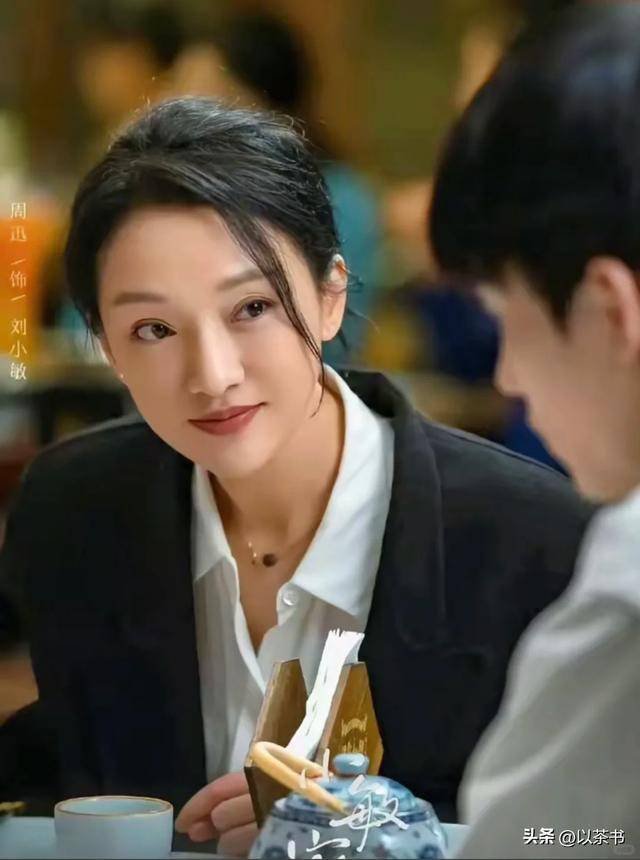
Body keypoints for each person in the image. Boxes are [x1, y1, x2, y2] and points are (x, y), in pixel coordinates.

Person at [0, 97, 592, 857]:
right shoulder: (72, 513)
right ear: (107, 347)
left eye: (251, 307)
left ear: (330, 295)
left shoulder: (537, 541)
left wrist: (406, 835)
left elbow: (603, 832)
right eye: (154, 329)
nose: (213, 375)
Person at [428, 3, 640, 856]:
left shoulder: (627, 602)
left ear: (608, 310)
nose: (508, 376)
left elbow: (557, 839)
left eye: (504, 316)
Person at [169, 12, 382, 368]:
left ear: (264, 106)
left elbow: (329, 336)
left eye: (206, 96)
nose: (176, 114)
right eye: (177, 89)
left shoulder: (340, 197)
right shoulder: (168, 198)